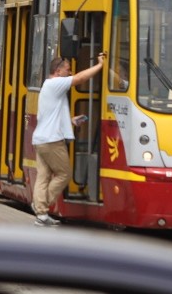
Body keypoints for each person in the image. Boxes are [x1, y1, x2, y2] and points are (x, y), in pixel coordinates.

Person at [32, 52, 105, 227]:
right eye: (67, 69)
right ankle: (40, 206)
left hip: (41, 139)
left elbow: (51, 114)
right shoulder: (56, 83)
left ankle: (41, 215)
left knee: (43, 176)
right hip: (51, 141)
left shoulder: (49, 86)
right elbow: (80, 79)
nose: (70, 73)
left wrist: (70, 121)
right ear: (58, 71)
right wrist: (100, 65)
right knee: (64, 174)